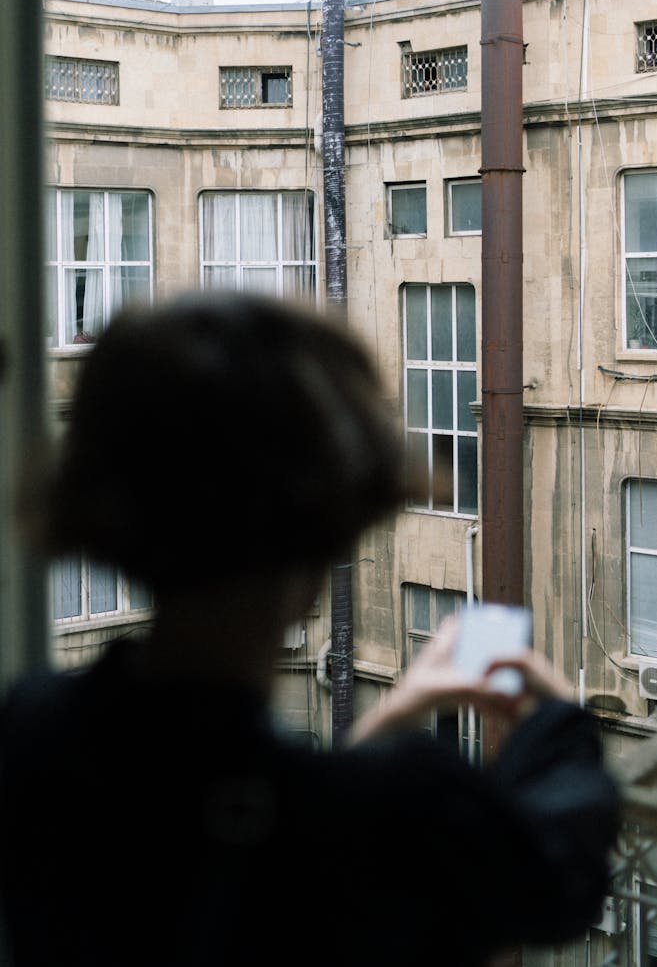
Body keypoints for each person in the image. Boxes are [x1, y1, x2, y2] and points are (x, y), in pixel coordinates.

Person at [0, 290, 620, 967]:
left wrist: (392, 721)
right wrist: (559, 725)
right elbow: (556, 882)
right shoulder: (390, 809)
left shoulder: (33, 729)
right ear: (327, 532)